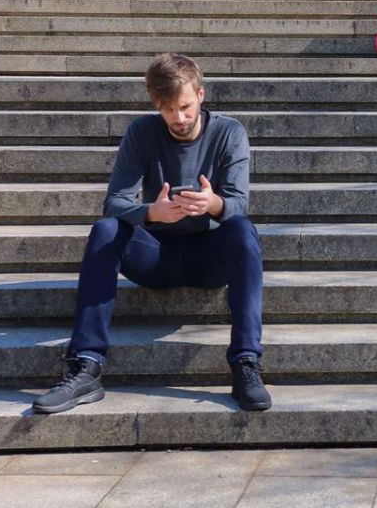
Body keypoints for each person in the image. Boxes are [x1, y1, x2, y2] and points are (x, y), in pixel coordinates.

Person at [32, 53, 271, 413]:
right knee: (106, 230)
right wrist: (150, 212)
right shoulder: (142, 132)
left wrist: (213, 204)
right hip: (155, 256)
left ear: (201, 94)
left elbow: (239, 203)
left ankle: (246, 363)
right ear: (156, 104)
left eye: (185, 107)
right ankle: (86, 366)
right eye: (168, 109)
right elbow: (114, 202)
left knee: (242, 229)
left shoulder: (229, 132)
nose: (179, 118)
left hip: (210, 257)